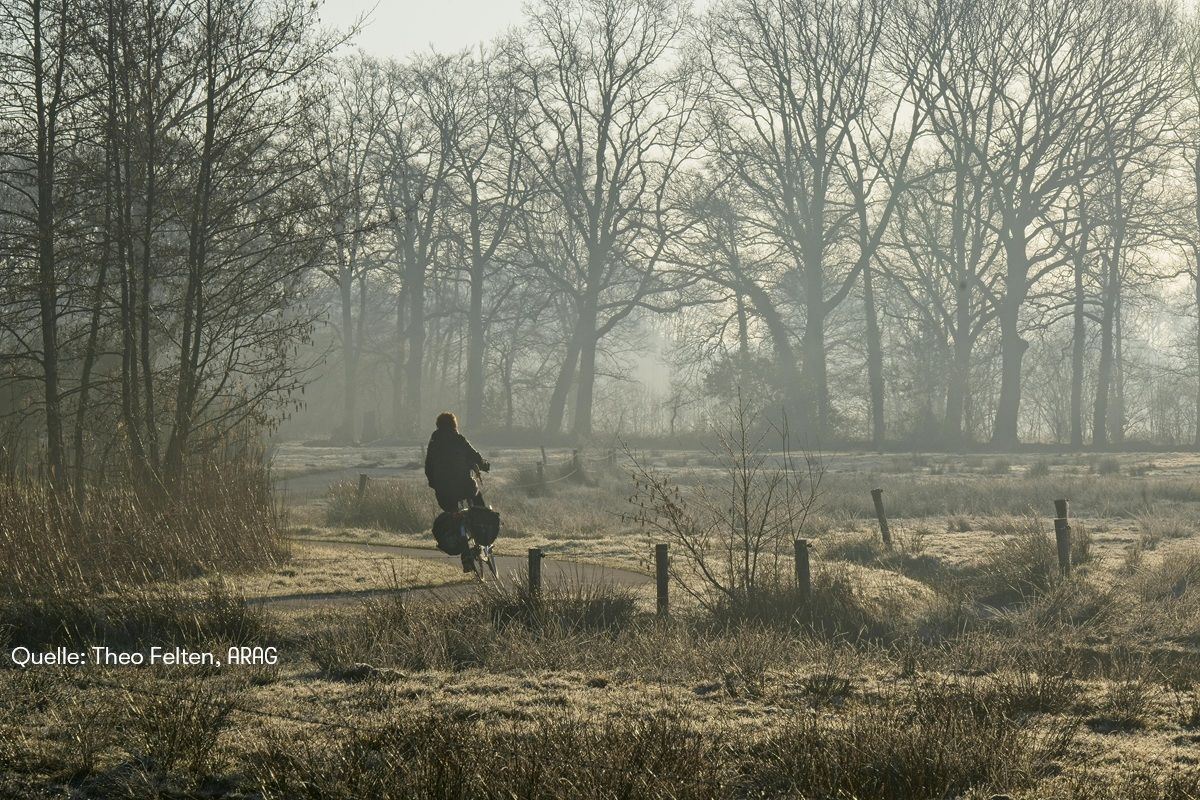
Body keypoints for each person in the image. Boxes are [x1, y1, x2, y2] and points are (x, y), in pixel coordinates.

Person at [424, 412, 490, 571]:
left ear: (438, 425)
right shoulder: (458, 439)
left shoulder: (434, 443)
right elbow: (475, 456)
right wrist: (484, 465)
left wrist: (436, 485)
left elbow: (428, 468)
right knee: (478, 503)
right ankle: (482, 530)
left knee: (455, 516)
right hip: (465, 488)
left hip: (444, 494)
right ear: (454, 424)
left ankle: (466, 555)